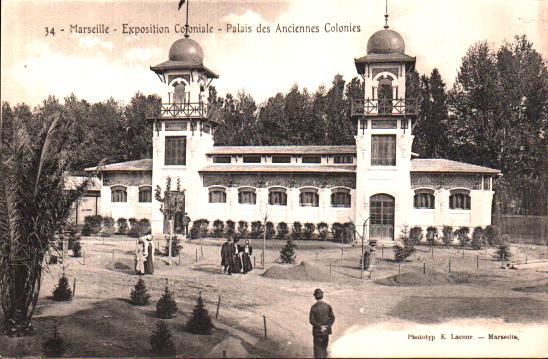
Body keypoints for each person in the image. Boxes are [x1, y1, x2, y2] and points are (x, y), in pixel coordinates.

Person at [309, 288, 335, 358]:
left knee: (317, 349)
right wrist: (327, 326)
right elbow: (332, 317)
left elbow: (311, 321)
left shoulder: (313, 307)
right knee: (324, 348)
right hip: (325, 331)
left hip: (317, 331)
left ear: (315, 297)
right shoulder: (327, 306)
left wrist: (320, 327)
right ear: (322, 296)